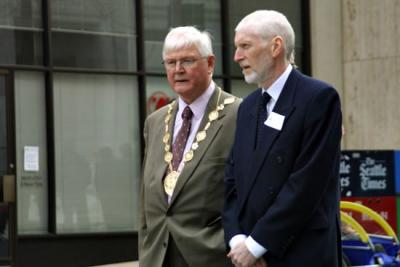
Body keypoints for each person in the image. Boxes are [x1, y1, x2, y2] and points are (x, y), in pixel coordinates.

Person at [223, 10, 342, 267]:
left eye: (245, 46)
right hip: (246, 256)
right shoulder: (247, 107)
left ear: (276, 46)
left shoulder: (319, 98)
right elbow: (232, 182)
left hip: (300, 255)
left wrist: (256, 245)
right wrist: (237, 240)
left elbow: (306, 184)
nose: (237, 56)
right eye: (236, 47)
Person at [139, 26, 241, 267]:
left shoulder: (239, 114)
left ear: (210, 63)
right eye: (170, 62)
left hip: (213, 257)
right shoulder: (155, 121)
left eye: (187, 61)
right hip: (158, 256)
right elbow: (146, 199)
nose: (178, 70)